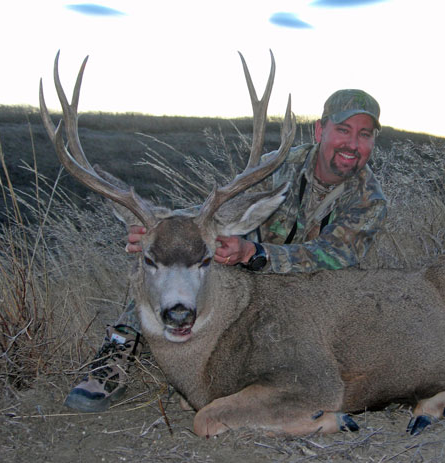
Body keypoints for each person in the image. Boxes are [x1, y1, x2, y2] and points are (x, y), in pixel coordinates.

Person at [65, 89, 388, 412]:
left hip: (309, 296)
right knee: (162, 258)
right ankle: (117, 352)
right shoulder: (276, 167)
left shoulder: (369, 200)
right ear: (320, 130)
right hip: (248, 283)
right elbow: (211, 216)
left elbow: (334, 258)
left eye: (364, 135)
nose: (352, 144)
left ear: (372, 142)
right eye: (343, 130)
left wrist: (254, 252)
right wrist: (158, 229)